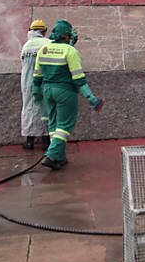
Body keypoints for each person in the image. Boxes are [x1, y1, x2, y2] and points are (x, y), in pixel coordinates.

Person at [32, 19, 103, 170]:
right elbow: (78, 78)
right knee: (64, 125)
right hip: (65, 91)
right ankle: (51, 154)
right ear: (67, 35)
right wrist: (90, 97)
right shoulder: (70, 52)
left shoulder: (43, 49)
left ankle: (59, 157)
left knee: (54, 124)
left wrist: (36, 92)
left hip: (47, 91)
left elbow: (37, 75)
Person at [19, 19, 50, 150]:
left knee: (28, 109)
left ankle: (29, 141)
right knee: (45, 110)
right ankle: (45, 142)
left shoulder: (26, 45)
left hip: (26, 83)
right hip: (43, 81)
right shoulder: (48, 43)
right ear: (44, 31)